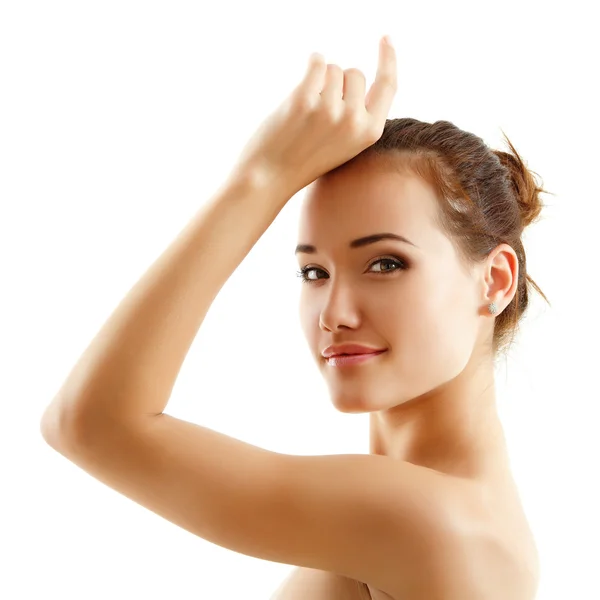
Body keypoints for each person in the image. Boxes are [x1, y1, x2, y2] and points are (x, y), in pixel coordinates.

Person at [41, 36, 546, 599]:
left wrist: (260, 179)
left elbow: (88, 425)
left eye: (385, 263)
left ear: (495, 280)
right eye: (314, 273)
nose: (334, 313)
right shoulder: (446, 515)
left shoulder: (428, 523)